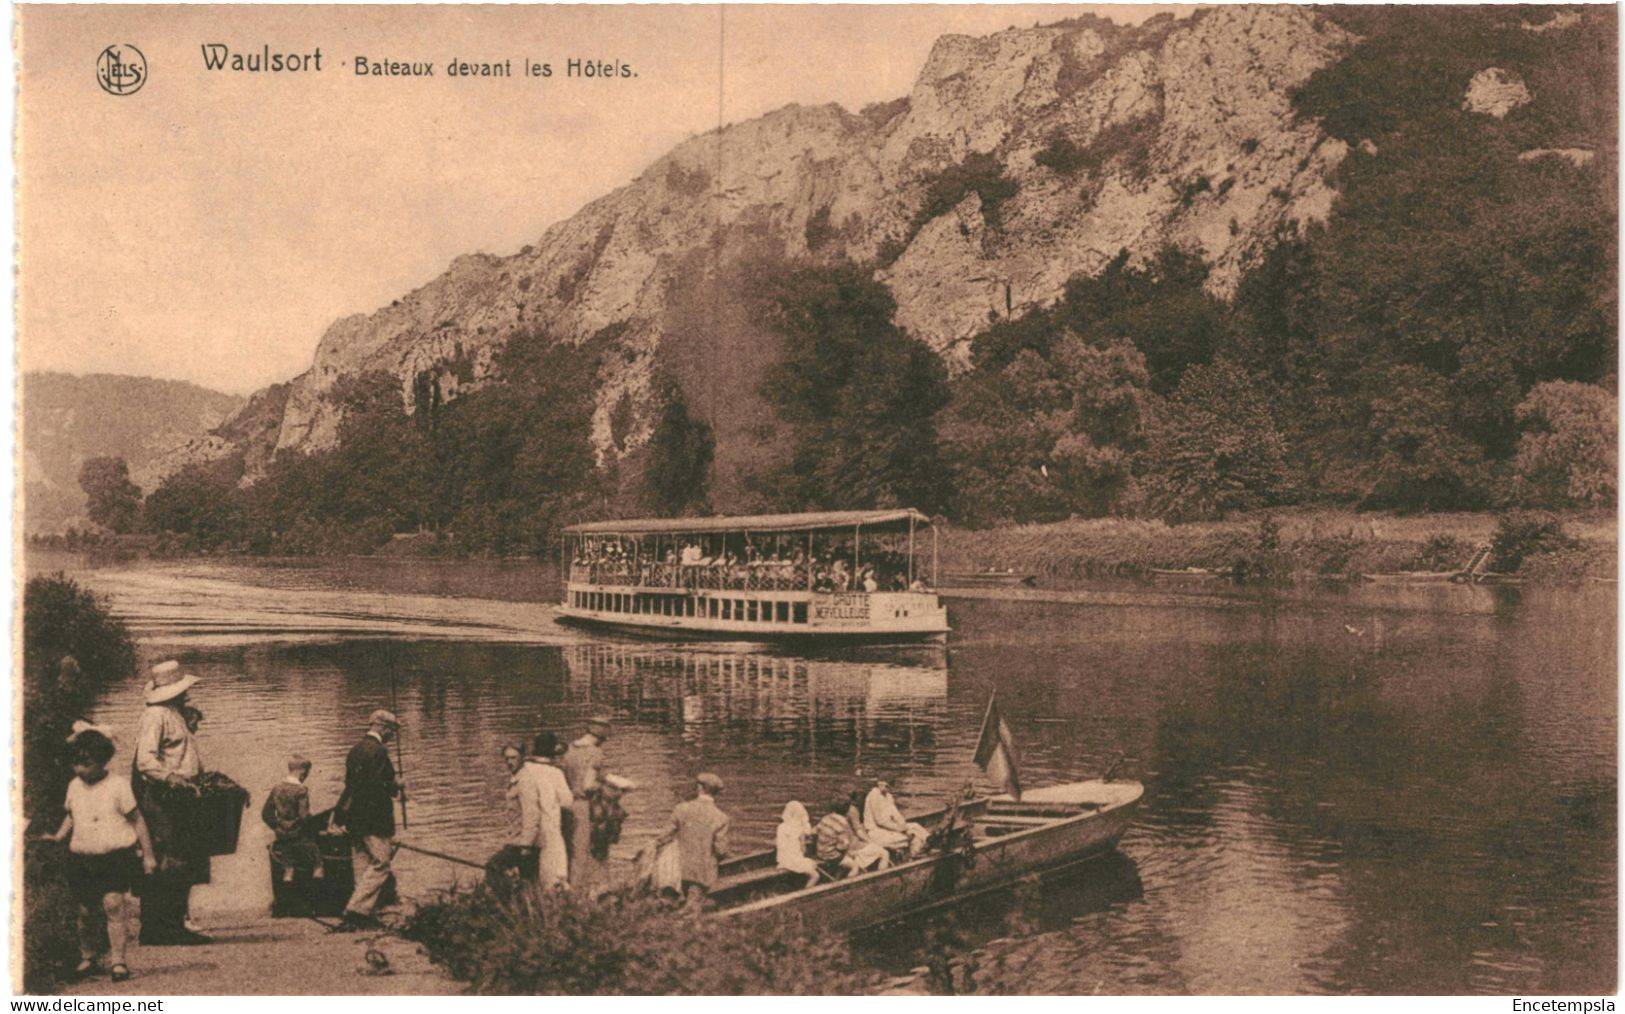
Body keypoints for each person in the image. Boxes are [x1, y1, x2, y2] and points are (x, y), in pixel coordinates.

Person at [37, 727, 155, 982]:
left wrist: (148, 855)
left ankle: (118, 961)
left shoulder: (118, 786)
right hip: (82, 857)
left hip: (113, 856)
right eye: (75, 764)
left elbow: (137, 819)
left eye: (86, 764)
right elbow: (72, 815)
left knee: (113, 905)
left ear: (103, 761)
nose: (79, 770)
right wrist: (59, 836)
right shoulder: (74, 786)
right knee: (85, 910)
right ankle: (88, 956)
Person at [132, 660, 210, 945]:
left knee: (181, 856)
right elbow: (145, 760)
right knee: (170, 856)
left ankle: (170, 924)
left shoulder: (173, 713)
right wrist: (171, 777)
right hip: (164, 795)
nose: (186, 695)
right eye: (183, 690)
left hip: (179, 794)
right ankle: (160, 927)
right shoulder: (156, 715)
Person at [335, 709, 405, 931]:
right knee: (382, 863)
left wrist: (341, 817)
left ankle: (363, 914)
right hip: (374, 820)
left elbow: (353, 786)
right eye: (392, 731)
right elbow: (375, 787)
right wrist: (396, 786)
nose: (392, 736)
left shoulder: (355, 750)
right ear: (382, 727)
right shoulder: (379, 751)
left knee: (363, 865)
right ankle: (356, 910)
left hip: (354, 819)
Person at [515, 731, 574, 888]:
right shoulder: (555, 773)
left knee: (532, 876)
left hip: (526, 831)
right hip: (550, 830)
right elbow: (567, 802)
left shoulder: (525, 770)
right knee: (554, 876)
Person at [560, 715, 611, 894]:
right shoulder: (595, 753)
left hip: (568, 805)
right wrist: (607, 786)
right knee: (590, 849)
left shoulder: (570, 749)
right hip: (585, 806)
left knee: (572, 850)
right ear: (602, 735)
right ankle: (581, 894)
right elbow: (588, 786)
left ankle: (570, 889)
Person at [667, 772, 730, 903]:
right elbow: (721, 850)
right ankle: (693, 905)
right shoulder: (721, 817)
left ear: (699, 788)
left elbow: (664, 836)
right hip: (704, 874)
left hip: (679, 869)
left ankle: (683, 902)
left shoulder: (680, 809)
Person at [484, 744, 536, 895]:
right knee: (527, 881)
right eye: (506, 758)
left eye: (513, 758)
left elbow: (532, 814)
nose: (509, 762)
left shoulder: (525, 781)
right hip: (515, 839)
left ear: (522, 758)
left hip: (522, 842)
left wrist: (526, 845)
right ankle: (519, 906)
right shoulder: (516, 778)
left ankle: (504, 903)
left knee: (493, 866)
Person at [262, 755, 323, 884]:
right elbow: (303, 816)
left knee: (288, 860)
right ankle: (317, 878)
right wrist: (317, 827)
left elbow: (266, 813)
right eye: (306, 773)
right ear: (302, 772)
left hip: (282, 837)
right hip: (299, 836)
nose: (306, 777)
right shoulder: (301, 790)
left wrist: (278, 827)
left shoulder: (277, 788)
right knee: (317, 860)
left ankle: (288, 873)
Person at [815, 796, 888, 877]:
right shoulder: (843, 824)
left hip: (820, 852)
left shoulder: (825, 818)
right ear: (847, 810)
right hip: (832, 856)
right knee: (855, 867)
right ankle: (848, 884)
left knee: (852, 856)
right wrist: (853, 851)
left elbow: (814, 831)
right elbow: (842, 847)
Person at [863, 779, 928, 857]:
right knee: (912, 836)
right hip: (876, 831)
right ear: (879, 784)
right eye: (885, 785)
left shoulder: (888, 796)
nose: (887, 787)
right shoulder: (873, 795)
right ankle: (912, 857)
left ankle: (929, 840)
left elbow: (896, 814)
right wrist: (900, 829)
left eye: (889, 785)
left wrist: (903, 825)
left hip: (889, 828)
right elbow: (880, 821)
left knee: (915, 826)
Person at [775, 801, 820, 889]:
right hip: (793, 860)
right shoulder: (799, 829)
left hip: (782, 860)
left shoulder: (780, 827)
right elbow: (803, 851)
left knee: (811, 864)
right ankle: (806, 893)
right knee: (815, 875)